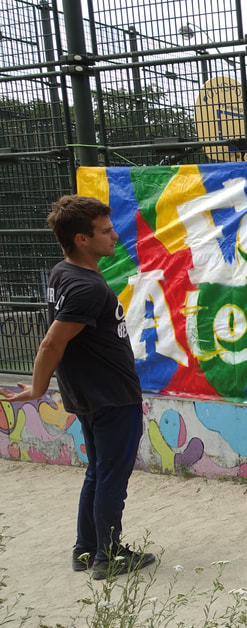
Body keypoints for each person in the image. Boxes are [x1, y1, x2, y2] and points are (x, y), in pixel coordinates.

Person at [0, 195, 154, 580]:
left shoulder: (63, 272)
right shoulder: (87, 287)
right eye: (105, 231)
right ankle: (109, 556)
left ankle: (86, 550)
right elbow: (52, 342)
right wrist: (38, 390)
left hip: (90, 393)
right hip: (110, 396)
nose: (114, 236)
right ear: (82, 239)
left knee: (98, 473)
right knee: (112, 479)